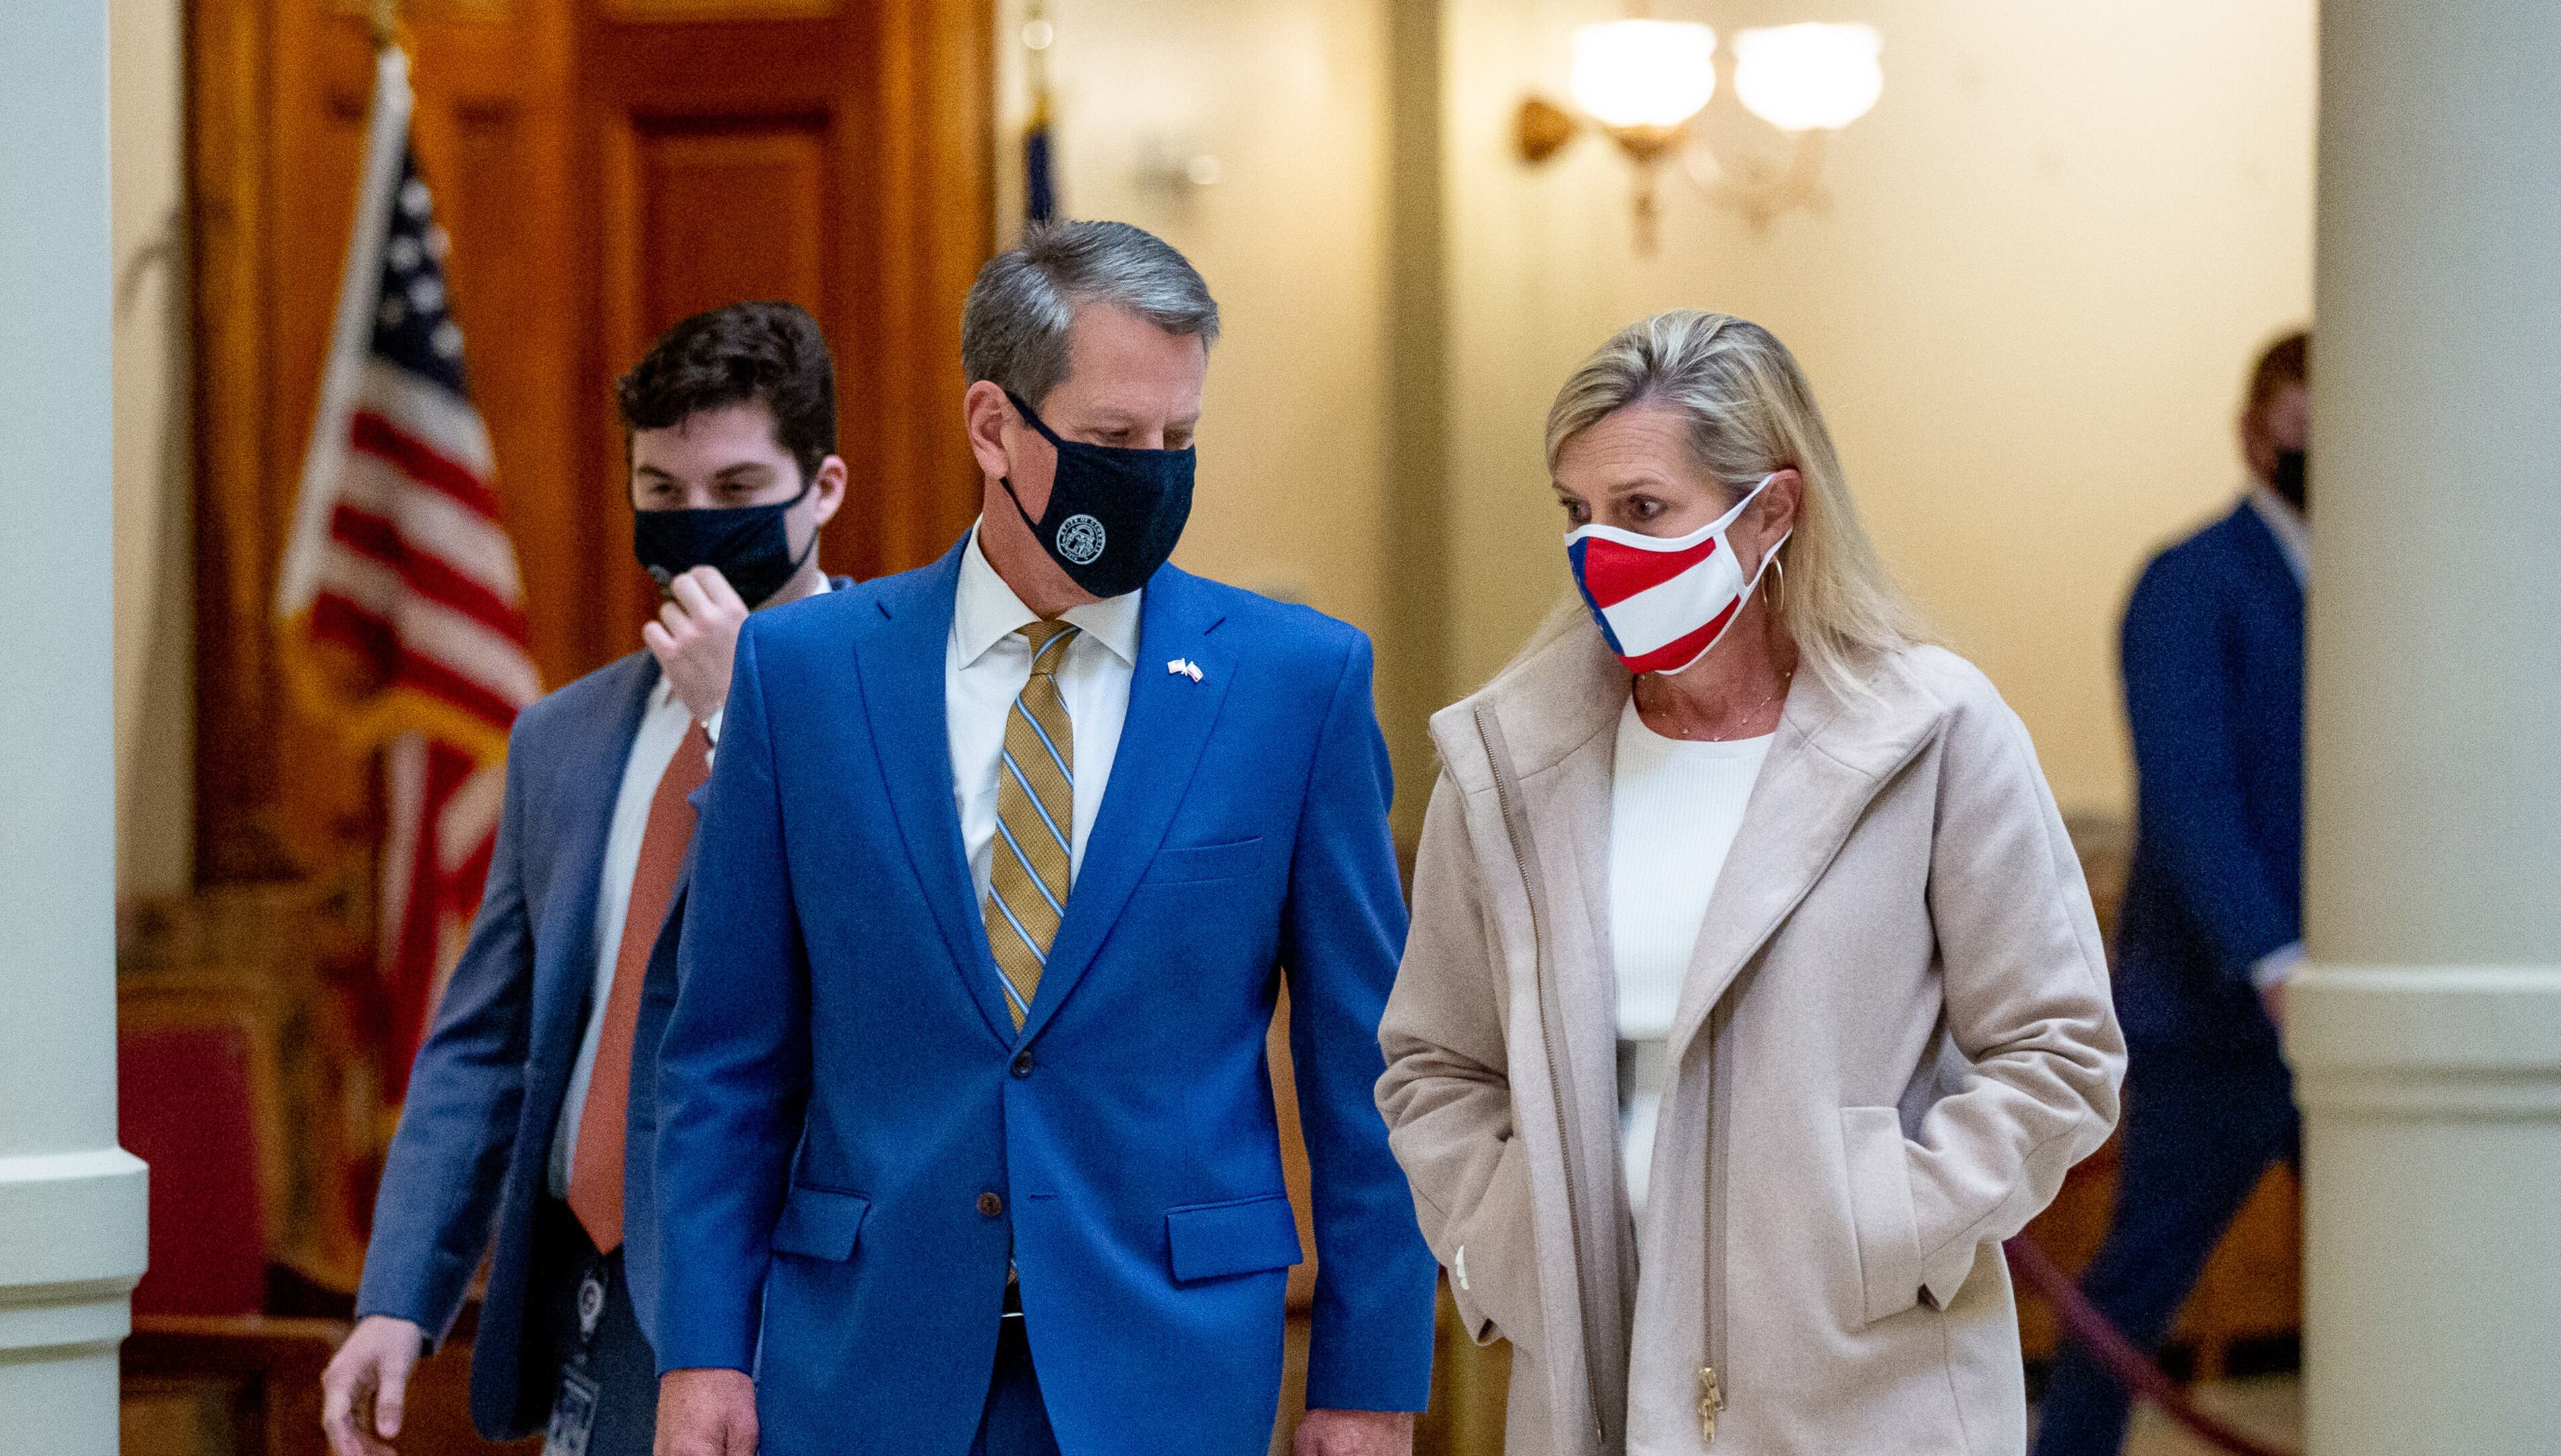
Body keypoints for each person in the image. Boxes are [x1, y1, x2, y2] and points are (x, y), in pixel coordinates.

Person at [647, 220, 1435, 1456]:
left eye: (1180, 439)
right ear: (993, 427)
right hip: (864, 1353)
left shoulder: (1297, 684)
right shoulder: (801, 679)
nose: (1155, 471)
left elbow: (1368, 1075)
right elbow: (729, 1057)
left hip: (1169, 1360)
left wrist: (1370, 1380)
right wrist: (700, 1348)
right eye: (1116, 440)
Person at [1376, 310, 2128, 1455]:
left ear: (1770, 512)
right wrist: (1509, 1244)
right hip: (1599, 1380)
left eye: (1642, 510)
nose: (1596, 550)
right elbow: (1436, 1063)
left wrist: (1881, 1229)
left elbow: (2061, 1052)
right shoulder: (1509, 766)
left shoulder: (1934, 734)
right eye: (1575, 512)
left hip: (1866, 1386)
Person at [320, 301, 851, 1456]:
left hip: (790, 1313)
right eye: (662, 494)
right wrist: (399, 1295)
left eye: (736, 489)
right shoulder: (563, 736)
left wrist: (736, 712)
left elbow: (876, 954)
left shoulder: (896, 703)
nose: (697, 525)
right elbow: (483, 1042)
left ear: (824, 491)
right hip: (582, 1296)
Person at [2031, 330, 2310, 1456]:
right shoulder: (2190, 582)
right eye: (2302, 426)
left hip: (2355, 1018)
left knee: (2419, 1273)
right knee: (2135, 1292)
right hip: (2215, 1018)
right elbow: (2193, 798)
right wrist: (2275, 961)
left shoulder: (2399, 592)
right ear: (2257, 434)